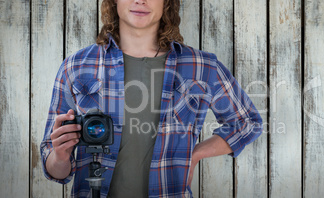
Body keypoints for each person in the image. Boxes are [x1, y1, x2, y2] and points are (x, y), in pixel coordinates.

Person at [40, 0, 263, 197]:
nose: (140, 1)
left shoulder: (203, 66)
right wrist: (60, 156)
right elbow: (55, 171)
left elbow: (247, 123)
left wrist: (195, 154)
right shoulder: (76, 66)